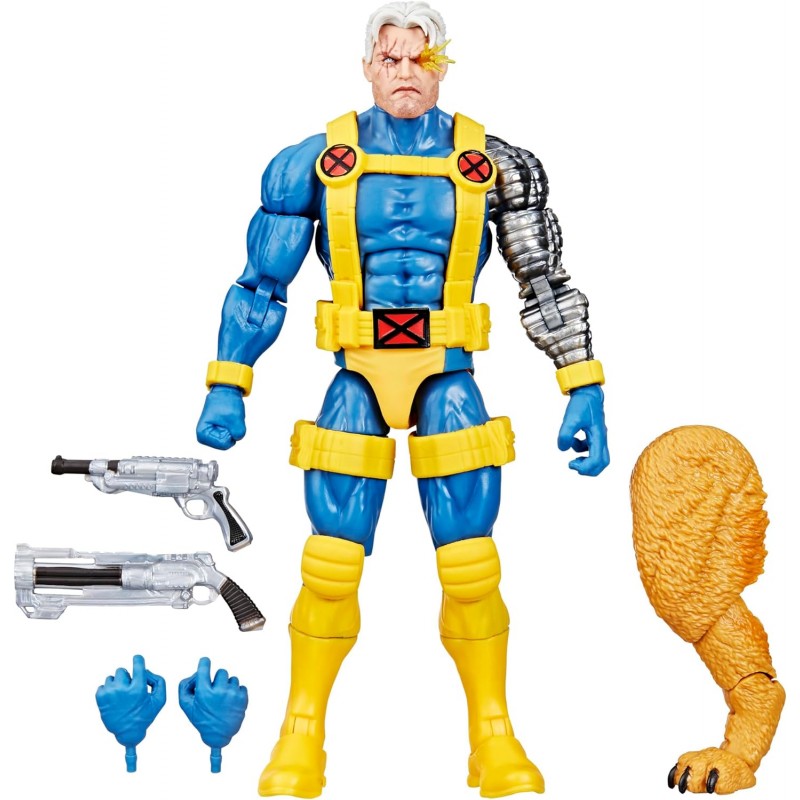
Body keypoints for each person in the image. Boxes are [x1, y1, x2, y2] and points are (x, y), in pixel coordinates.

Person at [196, 2, 609, 796]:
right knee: (330, 563)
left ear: (444, 66)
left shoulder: (496, 164)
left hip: (449, 375)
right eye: (391, 59)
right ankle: (301, 730)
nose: (407, 73)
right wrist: (228, 382)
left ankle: (493, 732)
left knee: (471, 565)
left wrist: (582, 383)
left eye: (423, 60)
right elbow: (259, 285)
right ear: (367, 67)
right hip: (355, 373)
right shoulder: (313, 163)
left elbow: (545, 283)